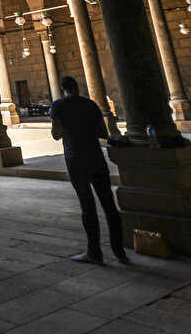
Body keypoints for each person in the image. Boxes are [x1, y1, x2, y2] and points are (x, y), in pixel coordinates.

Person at [51, 75, 129, 265]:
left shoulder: (58, 106)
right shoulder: (91, 105)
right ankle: (120, 253)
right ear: (76, 87)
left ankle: (94, 252)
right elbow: (103, 133)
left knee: (87, 206)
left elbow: (56, 135)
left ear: (63, 89)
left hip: (75, 158)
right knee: (109, 204)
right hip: (95, 157)